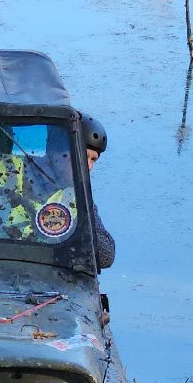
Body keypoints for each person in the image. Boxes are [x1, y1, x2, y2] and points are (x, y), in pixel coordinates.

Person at [80, 113, 118, 270]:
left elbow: (105, 255)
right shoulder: (24, 177)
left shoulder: (77, 195)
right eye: (84, 155)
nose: (89, 166)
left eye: (93, 160)